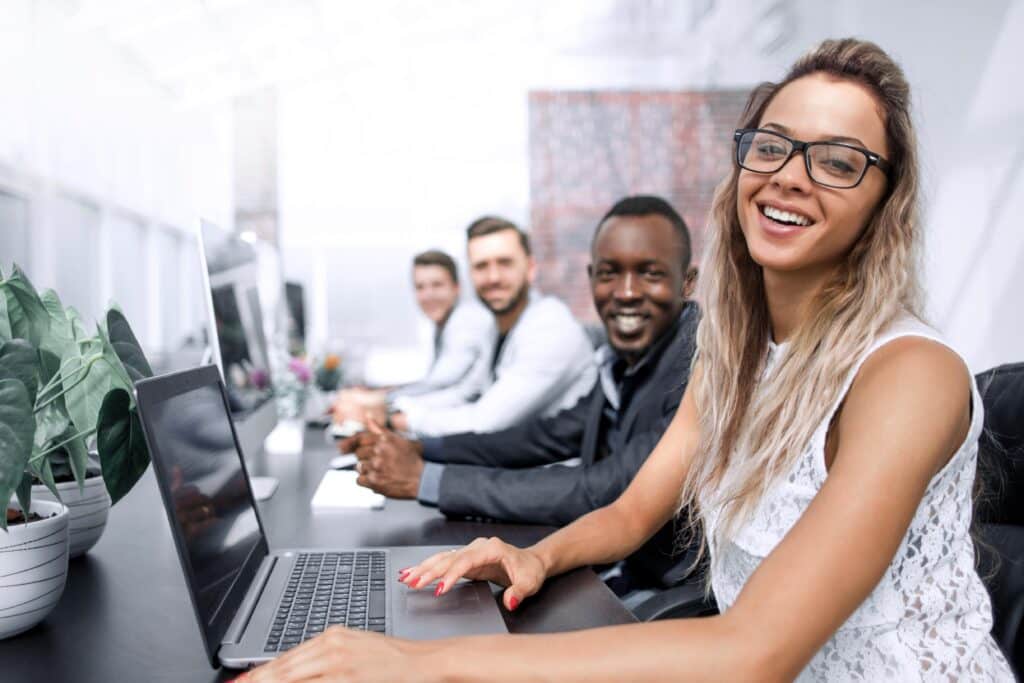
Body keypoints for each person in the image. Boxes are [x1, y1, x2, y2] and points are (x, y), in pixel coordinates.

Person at [239, 39, 1013, 682]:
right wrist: (533, 555)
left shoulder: (907, 374)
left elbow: (752, 652)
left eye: (838, 161)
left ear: (886, 201)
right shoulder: (735, 350)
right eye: (772, 147)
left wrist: (420, 662)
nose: (789, 175)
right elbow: (632, 512)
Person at [343, 195, 701, 601]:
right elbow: (544, 435)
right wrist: (421, 448)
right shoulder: (628, 358)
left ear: (687, 282)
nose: (627, 292)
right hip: (601, 561)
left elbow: (609, 489)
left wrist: (425, 476)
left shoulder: (696, 362)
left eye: (650, 273)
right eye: (609, 273)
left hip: (660, 589)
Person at [386, 217, 596, 437]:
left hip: (550, 467)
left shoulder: (551, 329)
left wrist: (400, 419)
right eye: (481, 266)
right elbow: (468, 393)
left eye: (505, 263)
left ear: (531, 268)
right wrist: (396, 409)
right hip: (505, 461)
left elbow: (484, 422)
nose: (493, 277)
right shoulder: (494, 327)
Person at [332, 250, 490, 422]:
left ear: (456, 287)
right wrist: (379, 393)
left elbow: (441, 383)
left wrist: (381, 398)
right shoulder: (445, 323)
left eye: (437, 285)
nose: (428, 295)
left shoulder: (467, 321)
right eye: (420, 287)